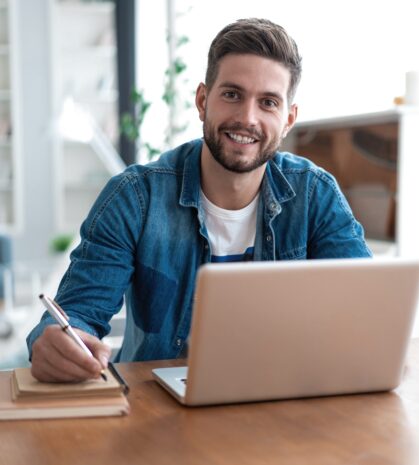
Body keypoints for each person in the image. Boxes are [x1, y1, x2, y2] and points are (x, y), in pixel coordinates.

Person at [27, 18, 371, 382]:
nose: (246, 118)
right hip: (161, 411)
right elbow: (76, 313)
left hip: (282, 398)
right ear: (203, 100)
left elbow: (366, 311)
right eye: (232, 94)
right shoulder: (135, 197)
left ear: (288, 119)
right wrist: (54, 344)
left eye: (268, 102)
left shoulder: (315, 194)